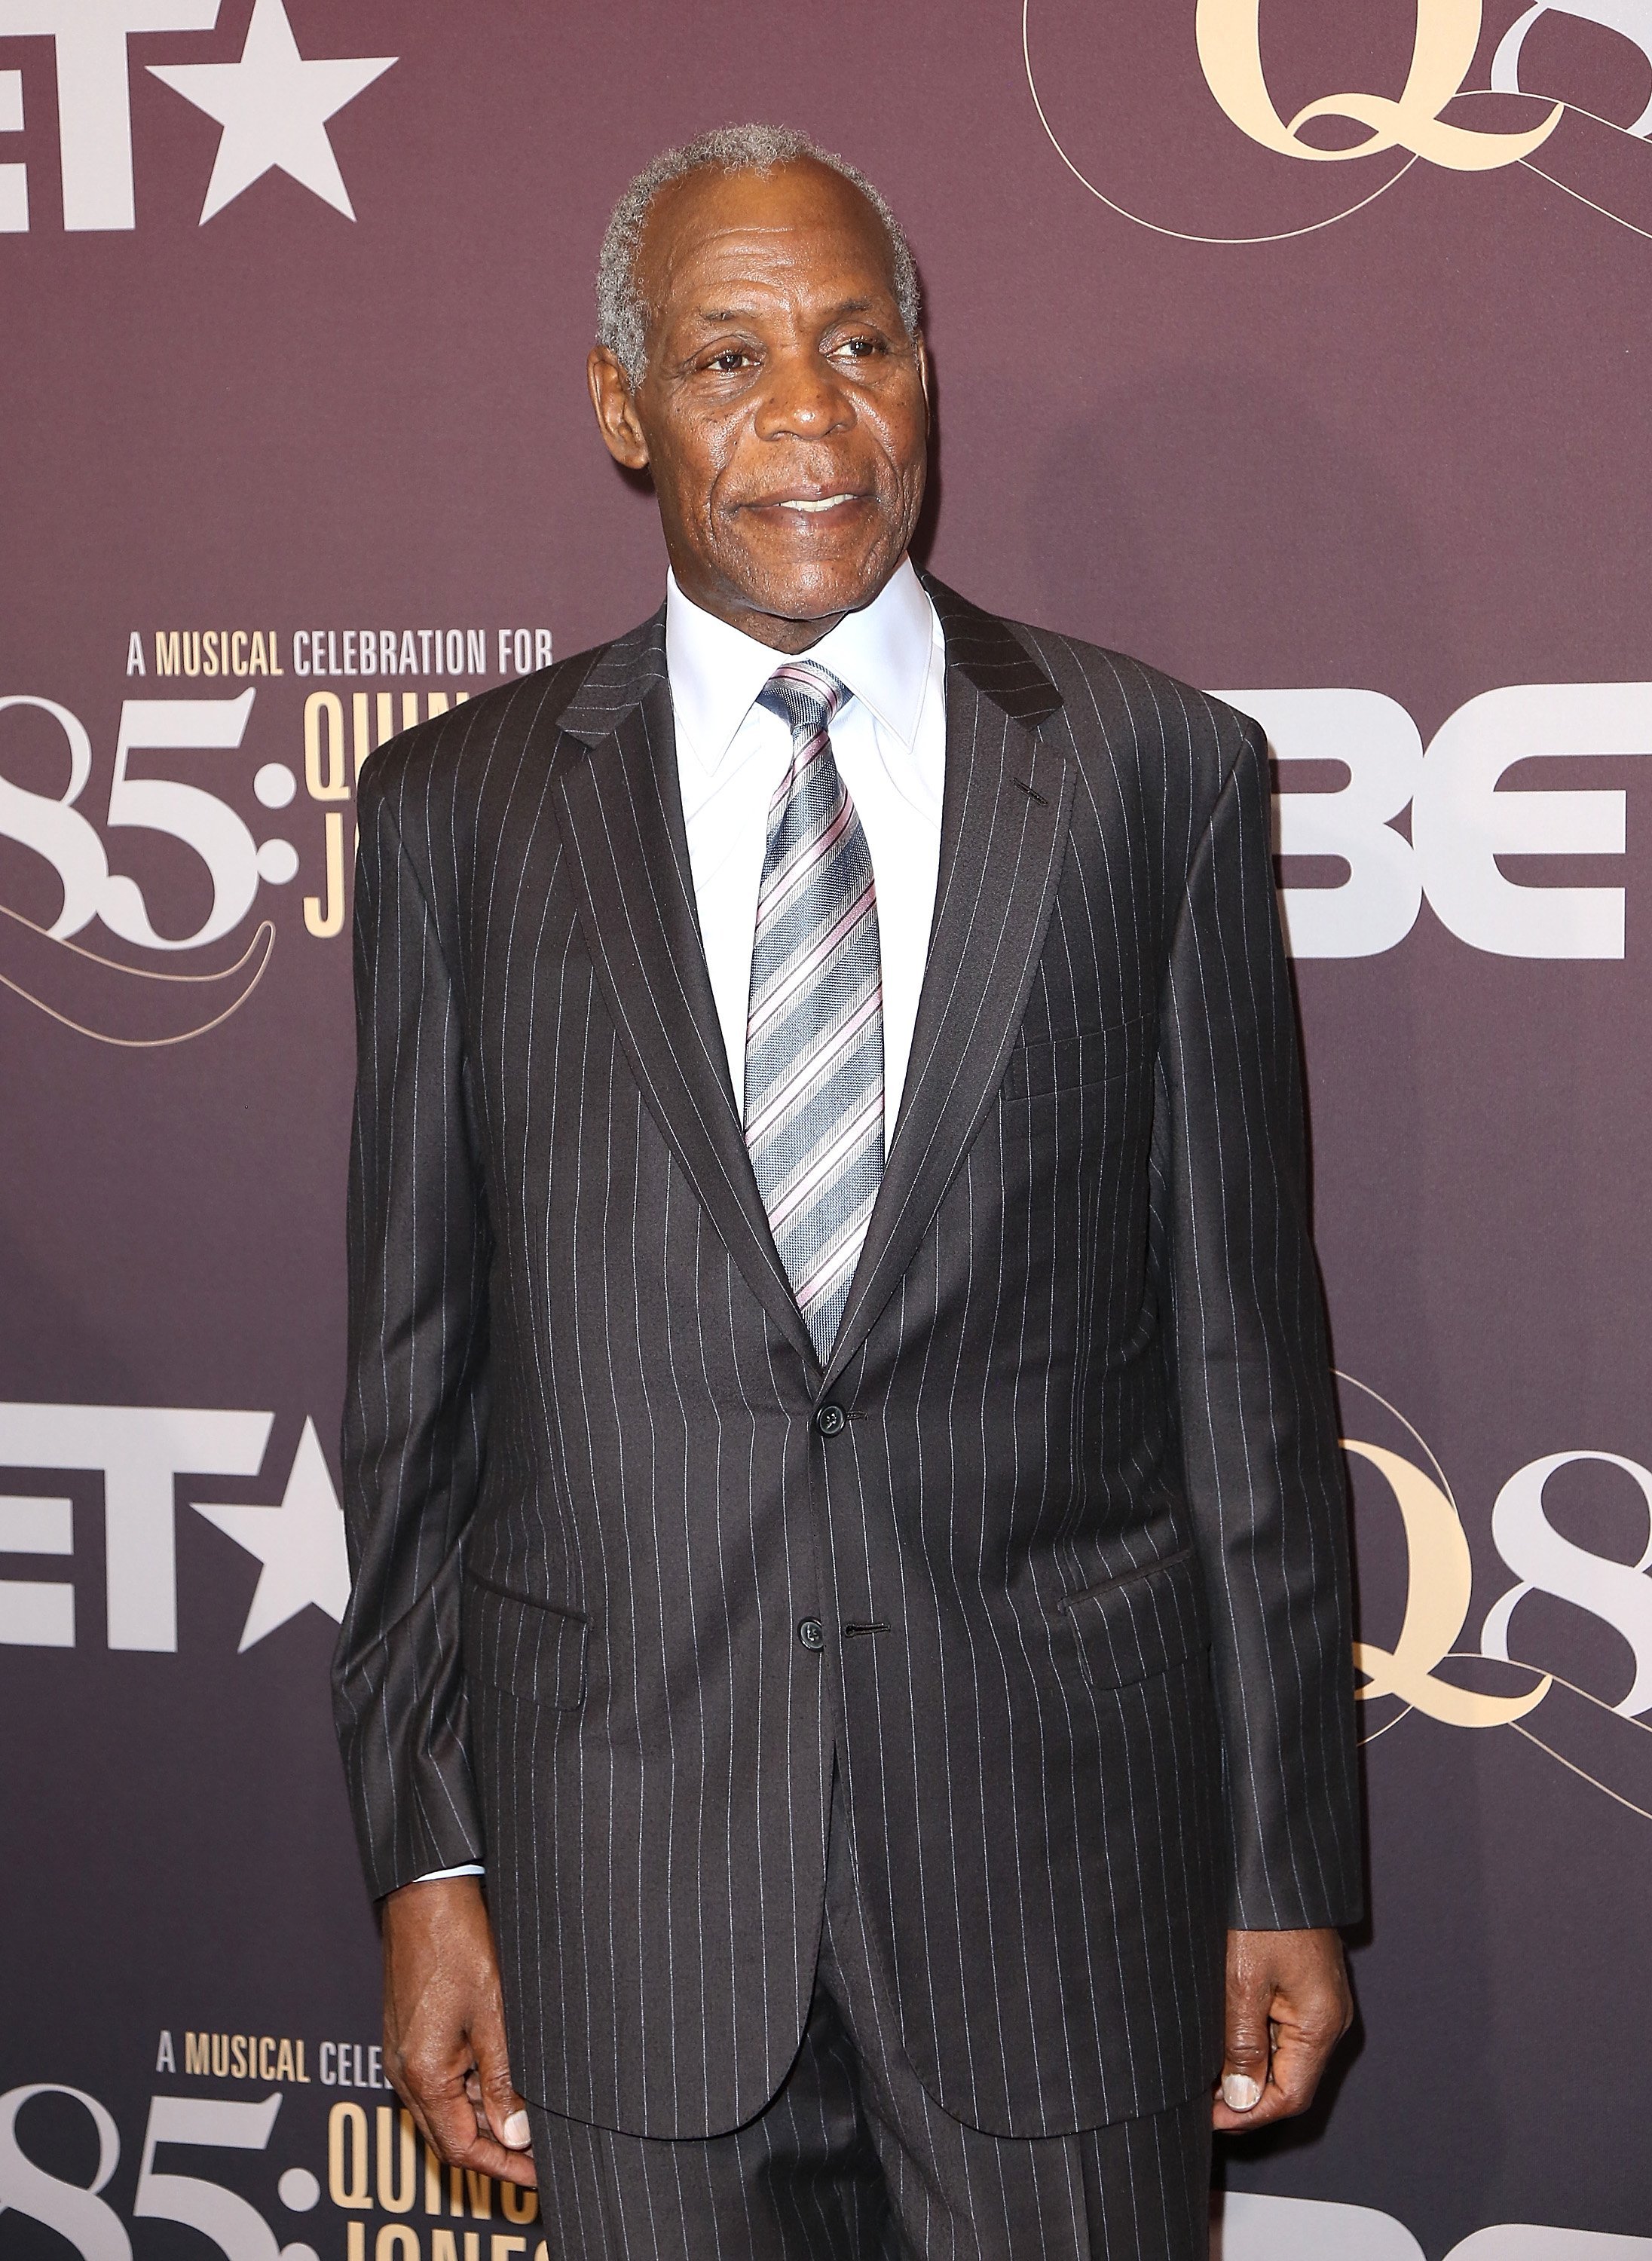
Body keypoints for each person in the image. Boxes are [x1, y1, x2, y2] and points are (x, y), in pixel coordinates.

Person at [334, 122, 1361, 2261]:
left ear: (926, 375)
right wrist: (430, 1860)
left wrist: (1284, 1857)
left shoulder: (1154, 772)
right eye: (726, 361)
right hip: (626, 1889)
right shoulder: (462, 818)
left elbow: (1242, 1361)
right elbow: (418, 1400)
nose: (809, 416)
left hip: (1061, 1879)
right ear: (621, 408)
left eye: (858, 341)